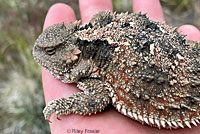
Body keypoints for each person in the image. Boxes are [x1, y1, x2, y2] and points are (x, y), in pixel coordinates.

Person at [42, 0, 200, 133]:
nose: (41, 54)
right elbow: (104, 16)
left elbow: (99, 98)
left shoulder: (93, 63)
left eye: (50, 51)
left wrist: (68, 104)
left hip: (187, 87)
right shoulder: (97, 32)